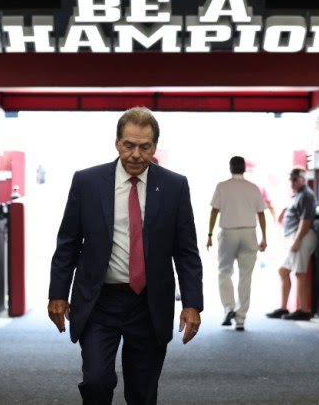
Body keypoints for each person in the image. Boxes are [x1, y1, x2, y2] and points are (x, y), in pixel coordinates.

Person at [47, 107, 203, 405]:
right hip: (99, 301)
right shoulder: (87, 182)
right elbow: (68, 242)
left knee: (142, 393)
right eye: (129, 145)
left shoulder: (174, 186)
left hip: (149, 303)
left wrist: (193, 303)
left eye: (144, 147)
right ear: (117, 143)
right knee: (96, 381)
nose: (135, 154)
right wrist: (58, 294)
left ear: (155, 146)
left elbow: (186, 251)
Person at [206, 156, 267, 331]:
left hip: (228, 232)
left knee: (224, 271)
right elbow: (261, 214)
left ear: (230, 168)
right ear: (244, 169)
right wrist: (264, 237)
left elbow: (214, 212)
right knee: (245, 275)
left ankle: (228, 307)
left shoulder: (222, 186)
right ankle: (240, 318)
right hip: (249, 232)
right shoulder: (253, 188)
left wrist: (210, 234)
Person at [266, 167, 318, 321]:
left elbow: (306, 221)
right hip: (295, 237)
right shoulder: (298, 195)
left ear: (302, 179)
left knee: (299, 273)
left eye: (295, 179)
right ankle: (283, 307)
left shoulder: (307, 195)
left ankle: (303, 310)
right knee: (283, 271)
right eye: (291, 179)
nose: (292, 182)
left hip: (301, 237)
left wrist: (297, 240)